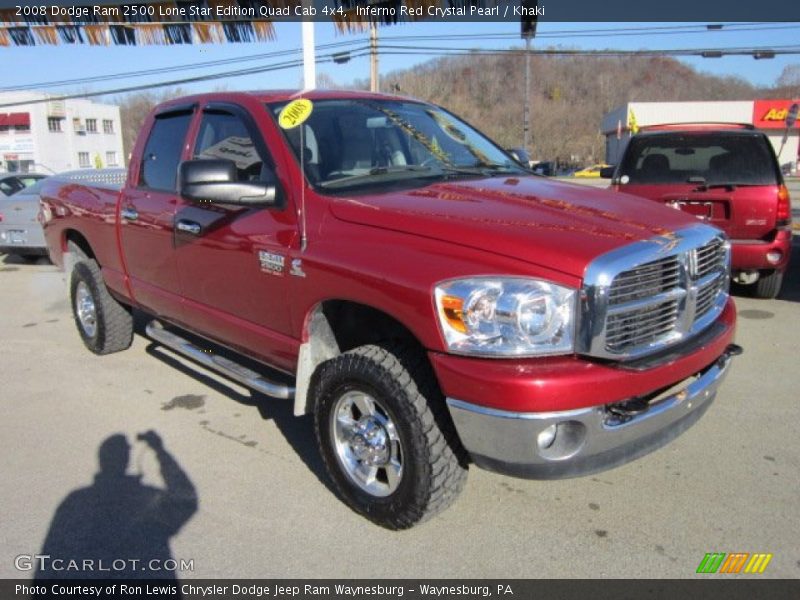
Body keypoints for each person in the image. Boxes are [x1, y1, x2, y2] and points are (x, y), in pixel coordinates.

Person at [36, 431, 197, 580]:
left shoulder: (76, 503)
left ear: (102, 460)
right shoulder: (145, 500)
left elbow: (49, 560)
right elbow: (185, 499)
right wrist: (160, 451)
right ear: (127, 459)